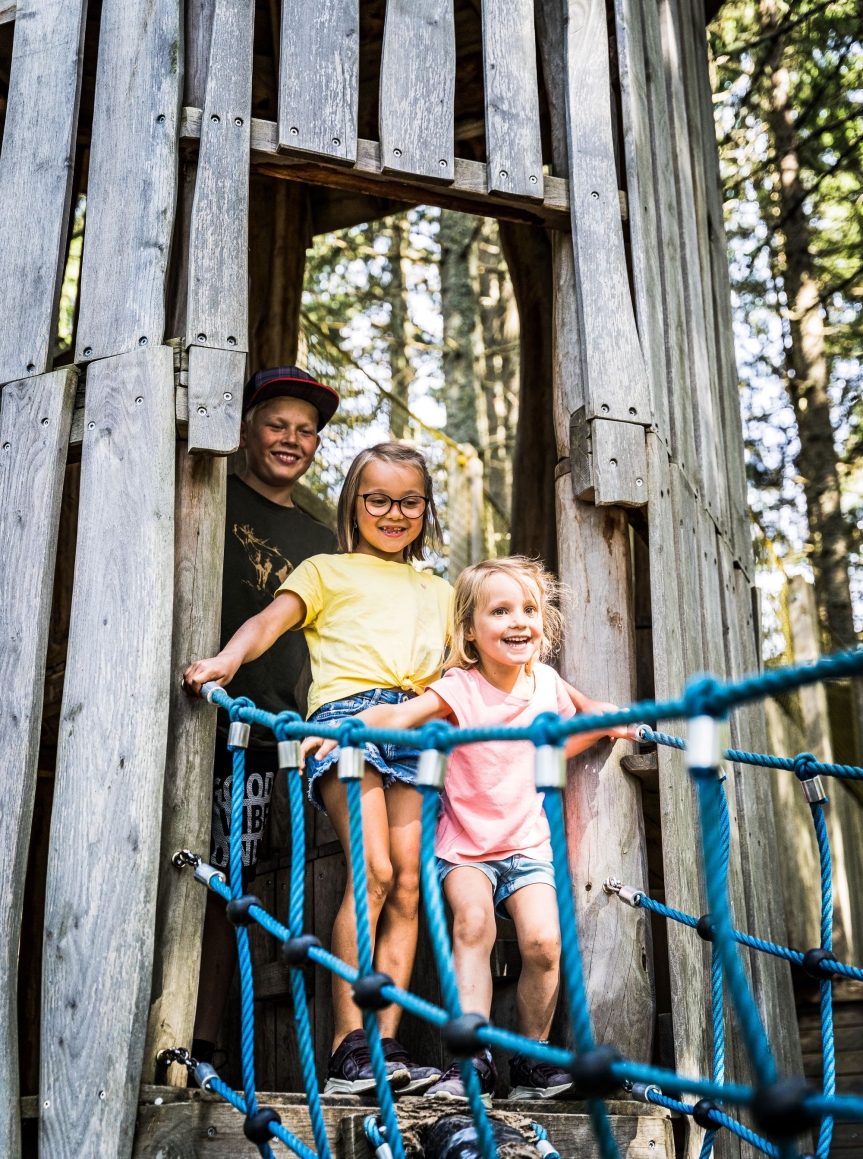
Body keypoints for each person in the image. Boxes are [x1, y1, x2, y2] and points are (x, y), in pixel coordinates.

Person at [307, 557, 633, 1104]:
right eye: (500, 610)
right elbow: (399, 719)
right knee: (474, 924)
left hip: (526, 846)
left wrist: (609, 719)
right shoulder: (460, 688)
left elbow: (568, 727)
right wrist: (345, 728)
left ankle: (533, 1061)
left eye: (530, 610)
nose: (518, 621)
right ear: (469, 631)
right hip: (465, 850)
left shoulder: (547, 684)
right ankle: (472, 1060)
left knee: (544, 943)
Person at [185, 442, 451, 1095]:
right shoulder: (325, 569)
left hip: (419, 723)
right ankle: (345, 1045)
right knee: (376, 871)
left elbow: (460, 668)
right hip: (346, 722)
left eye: (408, 500)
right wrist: (224, 660)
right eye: (377, 499)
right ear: (352, 505)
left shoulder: (441, 587)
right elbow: (270, 621)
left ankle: (382, 1044)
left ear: (426, 508)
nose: (393, 512)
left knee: (413, 884)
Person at [189, 366, 339, 1066]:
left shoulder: (322, 538)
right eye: (277, 423)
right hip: (203, 719)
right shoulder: (204, 496)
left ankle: (223, 1046)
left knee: (243, 886)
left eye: (305, 430)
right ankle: (189, 1042)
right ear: (245, 427)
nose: (291, 439)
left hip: (284, 737)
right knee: (207, 878)